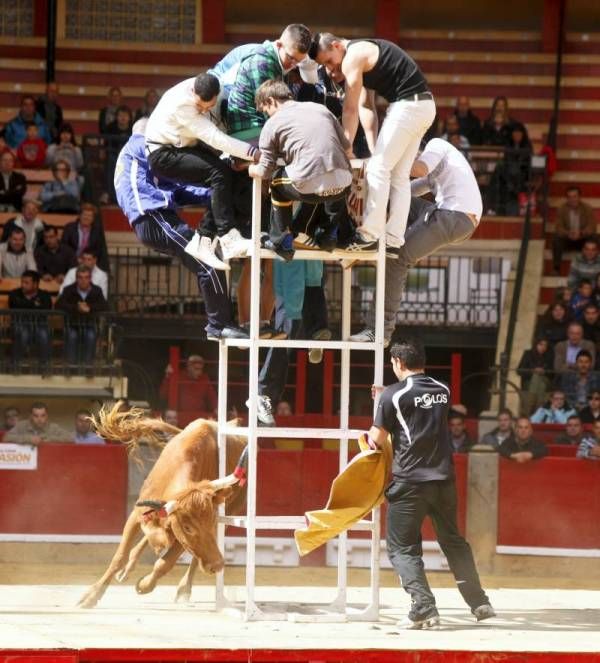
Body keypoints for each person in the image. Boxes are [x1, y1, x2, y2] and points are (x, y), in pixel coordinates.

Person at [364, 337, 494, 628]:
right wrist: (389, 396)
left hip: (410, 482)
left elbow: (375, 441)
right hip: (444, 480)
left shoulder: (392, 397)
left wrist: (382, 404)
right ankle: (479, 601)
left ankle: (424, 606)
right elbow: (418, 406)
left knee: (402, 548)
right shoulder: (444, 390)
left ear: (397, 363)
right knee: (453, 542)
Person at [114, 129, 248, 341]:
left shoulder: (143, 166)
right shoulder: (142, 141)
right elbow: (180, 169)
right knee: (207, 262)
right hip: (154, 216)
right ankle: (219, 325)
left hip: (154, 219)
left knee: (208, 259)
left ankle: (221, 324)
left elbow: (178, 191)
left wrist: (217, 193)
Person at [350, 138, 481, 344]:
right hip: (456, 217)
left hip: (453, 216)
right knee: (395, 197)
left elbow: (419, 169)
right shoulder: (438, 169)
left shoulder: (436, 145)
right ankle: (366, 233)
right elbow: (405, 192)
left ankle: (380, 330)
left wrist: (386, 164)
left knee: (396, 258)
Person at [314, 33, 435, 251]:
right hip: (424, 105)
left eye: (330, 61)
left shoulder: (352, 57)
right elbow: (366, 107)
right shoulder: (362, 56)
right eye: (325, 66)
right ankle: (394, 239)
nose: (331, 69)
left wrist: (347, 147)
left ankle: (369, 234)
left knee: (378, 169)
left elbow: (349, 110)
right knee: (398, 175)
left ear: (337, 45)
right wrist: (372, 149)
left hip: (408, 105)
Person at [145, 73, 259, 268]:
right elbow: (215, 138)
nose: (202, 110)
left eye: (207, 106)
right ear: (193, 92)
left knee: (226, 174)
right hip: (162, 154)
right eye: (199, 105)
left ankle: (203, 239)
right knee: (218, 173)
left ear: (216, 94)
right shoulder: (183, 105)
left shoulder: (216, 87)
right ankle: (227, 236)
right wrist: (253, 153)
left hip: (182, 145)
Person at [248, 79, 352, 258]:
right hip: (344, 185)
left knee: (276, 182)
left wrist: (252, 170)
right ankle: (330, 234)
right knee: (335, 171)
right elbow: (346, 146)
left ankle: (282, 241)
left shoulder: (272, 124)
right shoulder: (321, 109)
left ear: (271, 101)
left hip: (310, 187)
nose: (267, 115)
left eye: (265, 110)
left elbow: (265, 170)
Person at [226, 24, 314, 141]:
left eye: (298, 61)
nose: (293, 65)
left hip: (263, 129)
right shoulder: (261, 63)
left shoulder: (279, 63)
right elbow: (272, 112)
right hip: (248, 131)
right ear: (279, 45)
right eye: (290, 58)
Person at [55, 265, 108, 366]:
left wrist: (89, 308)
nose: (83, 280)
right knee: (72, 336)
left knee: (91, 336)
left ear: (90, 278)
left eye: (86, 277)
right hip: (72, 324)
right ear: (76, 278)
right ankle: (71, 366)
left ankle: (88, 366)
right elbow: (59, 304)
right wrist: (76, 308)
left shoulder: (97, 290)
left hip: (90, 325)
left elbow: (105, 306)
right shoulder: (68, 289)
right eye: (80, 277)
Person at [8, 269, 52, 369]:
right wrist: (34, 304)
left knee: (44, 335)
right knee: (23, 334)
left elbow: (46, 308)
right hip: (19, 323)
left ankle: (44, 365)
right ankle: (15, 364)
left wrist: (26, 305)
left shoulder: (44, 295)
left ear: (35, 284)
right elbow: (15, 304)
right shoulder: (14, 293)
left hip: (39, 324)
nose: (23, 285)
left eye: (26, 283)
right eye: (22, 282)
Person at [551, 186, 596, 274]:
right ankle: (556, 268)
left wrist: (581, 233)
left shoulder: (587, 208)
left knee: (594, 237)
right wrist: (568, 233)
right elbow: (558, 227)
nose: (572, 199)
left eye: (574, 196)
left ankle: (592, 266)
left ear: (579, 197)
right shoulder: (561, 209)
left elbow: (592, 226)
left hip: (582, 240)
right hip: (568, 239)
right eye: (569, 197)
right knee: (556, 238)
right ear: (567, 198)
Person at [60, 203, 109, 272]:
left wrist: (87, 260)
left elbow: (98, 250)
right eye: (84, 215)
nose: (86, 218)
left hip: (89, 263)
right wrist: (75, 259)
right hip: (71, 262)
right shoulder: (69, 228)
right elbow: (64, 247)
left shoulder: (97, 231)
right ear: (79, 216)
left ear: (93, 218)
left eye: (89, 216)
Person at [516, 338, 554, 413]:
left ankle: (530, 406)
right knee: (536, 377)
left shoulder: (549, 356)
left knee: (538, 378)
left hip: (545, 381)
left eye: (545, 345)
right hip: (529, 382)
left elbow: (552, 373)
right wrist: (533, 371)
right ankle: (538, 408)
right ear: (535, 344)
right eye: (540, 344)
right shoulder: (528, 354)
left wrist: (544, 372)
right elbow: (519, 371)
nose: (543, 347)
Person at [4, 402, 70, 445]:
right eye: (36, 416)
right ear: (30, 416)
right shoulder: (22, 425)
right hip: (26, 460)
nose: (39, 419)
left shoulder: (53, 427)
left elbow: (70, 438)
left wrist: (48, 439)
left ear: (47, 416)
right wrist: (28, 439)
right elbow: (6, 438)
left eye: (43, 415)